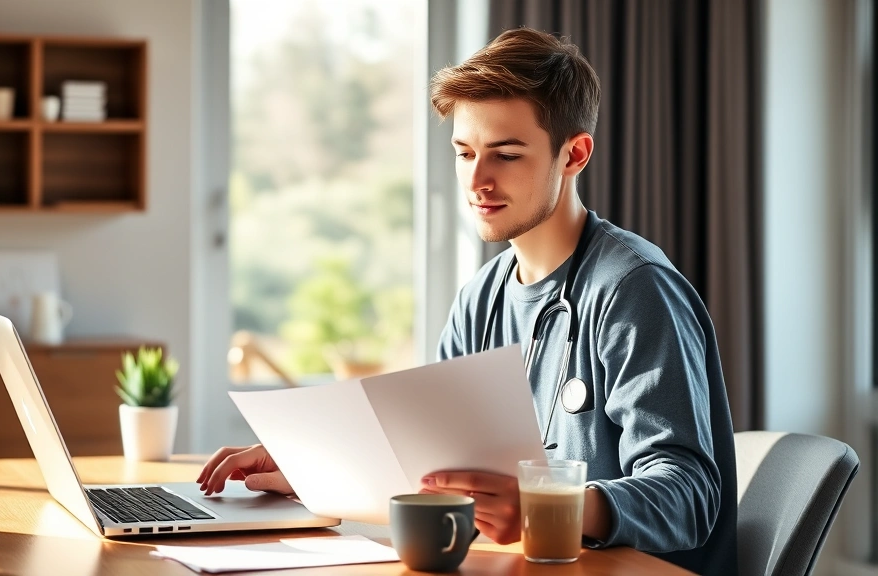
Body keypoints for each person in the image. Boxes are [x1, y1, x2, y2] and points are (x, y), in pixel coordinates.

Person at [197, 27, 737, 575]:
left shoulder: (633, 289)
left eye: (505, 155)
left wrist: (550, 506)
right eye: (464, 152)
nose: (477, 180)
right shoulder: (482, 298)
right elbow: (438, 471)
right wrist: (316, 469)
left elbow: (688, 496)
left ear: (574, 154)